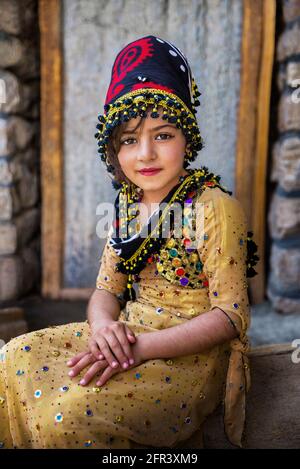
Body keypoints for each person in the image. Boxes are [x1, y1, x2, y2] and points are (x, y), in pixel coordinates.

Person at [0, 35, 259, 449]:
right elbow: (107, 289)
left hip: (187, 355)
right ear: (114, 151)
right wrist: (105, 328)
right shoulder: (128, 204)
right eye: (129, 140)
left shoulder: (213, 206)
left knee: (64, 418)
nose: (145, 154)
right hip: (131, 333)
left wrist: (141, 350)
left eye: (162, 135)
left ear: (187, 138)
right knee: (15, 355)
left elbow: (230, 316)